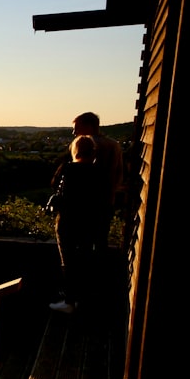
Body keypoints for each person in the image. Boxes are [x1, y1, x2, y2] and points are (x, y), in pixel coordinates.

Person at [49, 135, 110, 313]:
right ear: (93, 152)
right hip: (91, 222)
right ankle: (84, 299)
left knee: (68, 261)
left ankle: (70, 301)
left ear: (75, 150)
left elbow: (54, 186)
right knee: (85, 258)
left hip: (67, 221)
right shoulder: (100, 171)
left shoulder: (67, 169)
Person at [71, 111, 123, 249]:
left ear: (89, 126)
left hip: (84, 204)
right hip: (107, 200)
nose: (74, 132)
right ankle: (100, 269)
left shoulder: (83, 144)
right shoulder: (114, 145)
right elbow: (119, 172)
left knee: (84, 243)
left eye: (77, 128)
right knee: (101, 241)